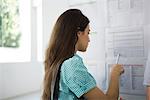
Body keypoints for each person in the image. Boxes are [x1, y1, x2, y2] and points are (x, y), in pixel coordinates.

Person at [42, 9, 124, 100]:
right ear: (79, 33)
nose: (89, 39)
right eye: (88, 33)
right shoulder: (72, 65)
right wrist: (115, 73)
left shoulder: (59, 61)